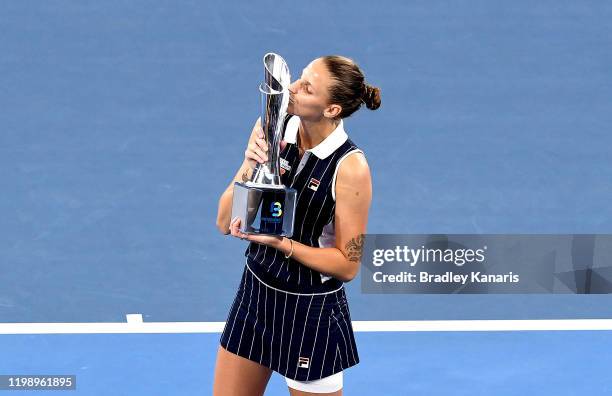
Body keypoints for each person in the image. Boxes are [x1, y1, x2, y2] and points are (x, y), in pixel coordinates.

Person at [213, 55, 381, 396]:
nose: (291, 89)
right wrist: (250, 162)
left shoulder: (350, 168)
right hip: (256, 293)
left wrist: (283, 245)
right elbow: (223, 220)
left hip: (310, 312)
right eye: (299, 78)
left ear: (331, 109)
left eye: (306, 88)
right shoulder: (274, 128)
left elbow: (347, 265)